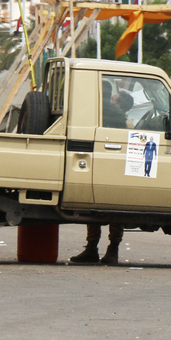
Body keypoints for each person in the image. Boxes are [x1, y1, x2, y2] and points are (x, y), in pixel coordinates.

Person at [71, 81, 127, 265]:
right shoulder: (116, 113)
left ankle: (91, 247)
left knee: (93, 207)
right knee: (116, 207)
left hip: (97, 162)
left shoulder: (92, 111)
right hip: (115, 163)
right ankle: (113, 249)